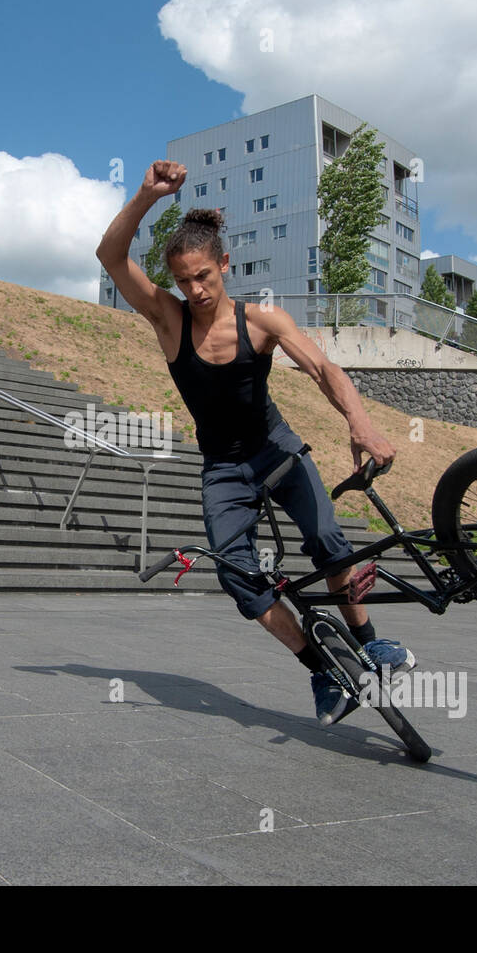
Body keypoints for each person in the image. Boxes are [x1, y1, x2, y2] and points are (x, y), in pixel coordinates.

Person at [95, 159, 415, 726]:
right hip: (223, 467)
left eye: (204, 276)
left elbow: (322, 368)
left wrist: (359, 423)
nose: (194, 290)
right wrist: (146, 194)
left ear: (223, 264)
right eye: (184, 280)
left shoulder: (262, 320)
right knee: (237, 575)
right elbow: (110, 257)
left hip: (276, 449)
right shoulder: (169, 321)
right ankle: (320, 669)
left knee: (327, 540)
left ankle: (370, 642)